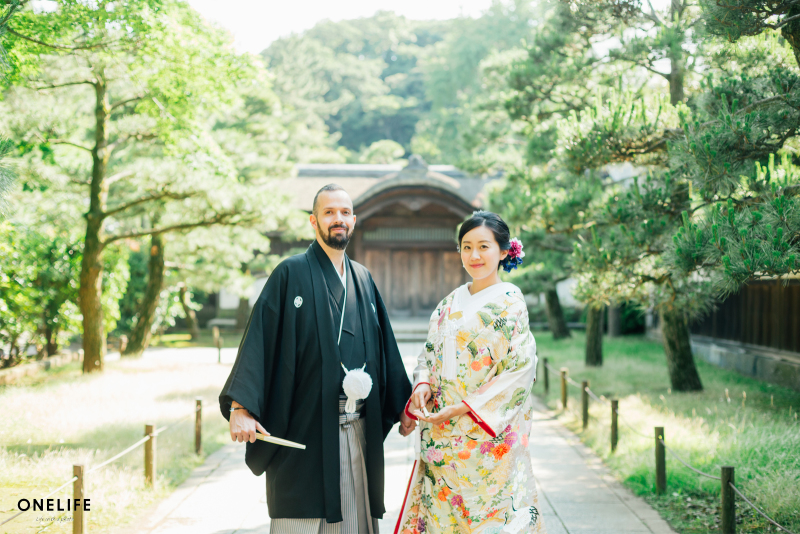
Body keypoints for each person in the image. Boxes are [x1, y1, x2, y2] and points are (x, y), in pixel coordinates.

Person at [219, 184, 415, 534]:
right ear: (314, 221)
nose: (337, 219)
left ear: (353, 221)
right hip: (303, 431)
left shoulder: (364, 279)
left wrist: (402, 404)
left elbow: (385, 349)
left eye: (344, 213)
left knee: (356, 523)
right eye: (328, 212)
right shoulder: (289, 274)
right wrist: (241, 408)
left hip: (357, 431)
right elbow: (258, 342)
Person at [395, 211, 547, 534]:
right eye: (466, 247)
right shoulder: (448, 303)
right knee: (442, 516)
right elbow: (429, 354)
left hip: (485, 438)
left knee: (488, 519)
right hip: (442, 437)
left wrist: (464, 407)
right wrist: (422, 384)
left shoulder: (511, 303)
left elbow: (519, 370)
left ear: (504, 251)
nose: (474, 255)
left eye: (483, 246)